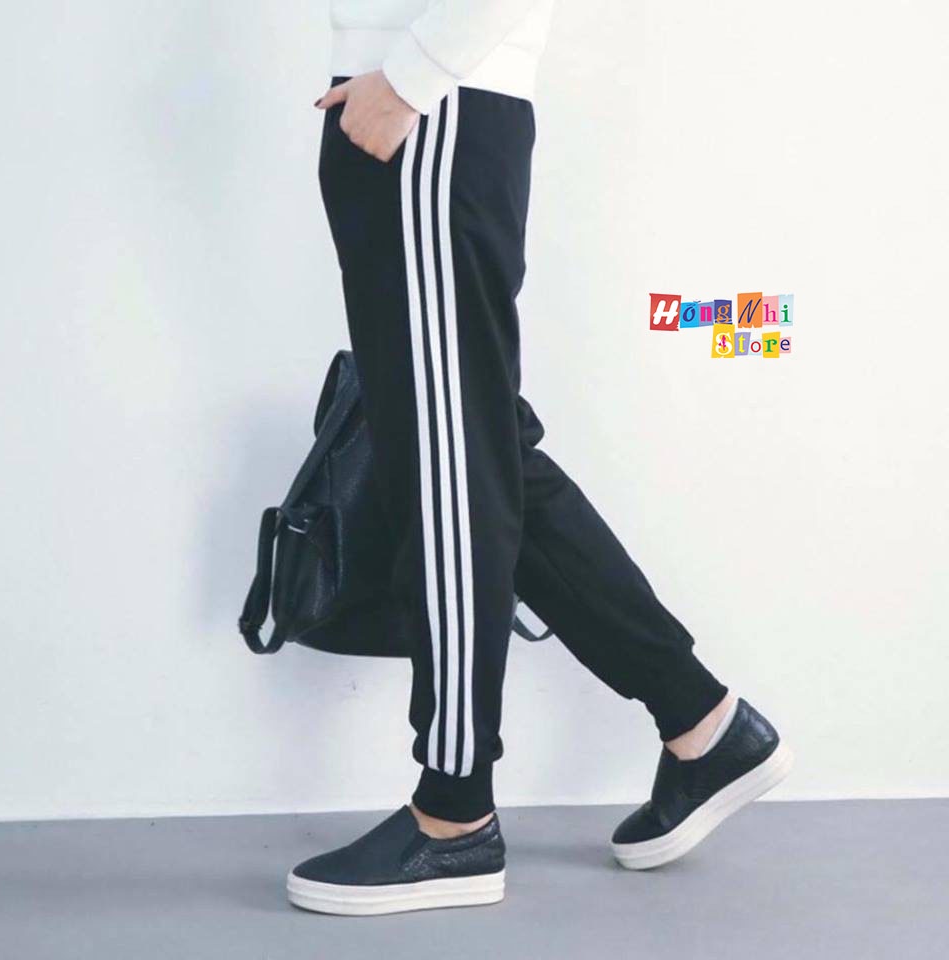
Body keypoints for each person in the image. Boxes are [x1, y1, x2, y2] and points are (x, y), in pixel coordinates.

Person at [286, 0, 792, 916]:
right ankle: (702, 723)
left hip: (427, 111)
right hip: (410, 107)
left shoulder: (422, 90)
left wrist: (410, 78)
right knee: (474, 455)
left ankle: (453, 816)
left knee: (453, 472)